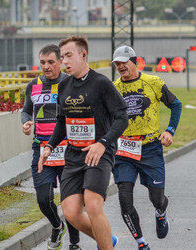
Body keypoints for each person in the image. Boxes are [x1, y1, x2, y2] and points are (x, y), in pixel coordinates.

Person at [38, 36, 129, 250]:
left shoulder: (101, 83)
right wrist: (49, 146)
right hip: (74, 155)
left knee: (93, 203)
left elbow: (122, 117)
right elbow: (62, 121)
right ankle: (107, 239)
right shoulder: (64, 86)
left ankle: (105, 245)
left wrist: (103, 143)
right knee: (71, 212)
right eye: (62, 57)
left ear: (83, 55)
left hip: (99, 153)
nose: (64, 61)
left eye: (68, 56)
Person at [111, 46, 182, 250]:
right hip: (124, 150)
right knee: (124, 199)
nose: (120, 66)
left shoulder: (153, 82)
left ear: (135, 62)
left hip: (150, 148)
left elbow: (176, 105)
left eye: (124, 62)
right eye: (117, 63)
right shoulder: (114, 88)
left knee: (157, 198)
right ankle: (142, 243)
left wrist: (169, 130)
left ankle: (160, 212)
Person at [21, 44, 81, 250]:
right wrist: (26, 122)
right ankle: (57, 225)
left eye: (51, 62)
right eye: (42, 62)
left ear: (60, 62)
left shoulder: (71, 83)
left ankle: (74, 243)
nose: (46, 67)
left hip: (68, 150)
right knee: (43, 200)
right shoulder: (33, 85)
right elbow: (26, 111)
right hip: (41, 150)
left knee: (69, 203)